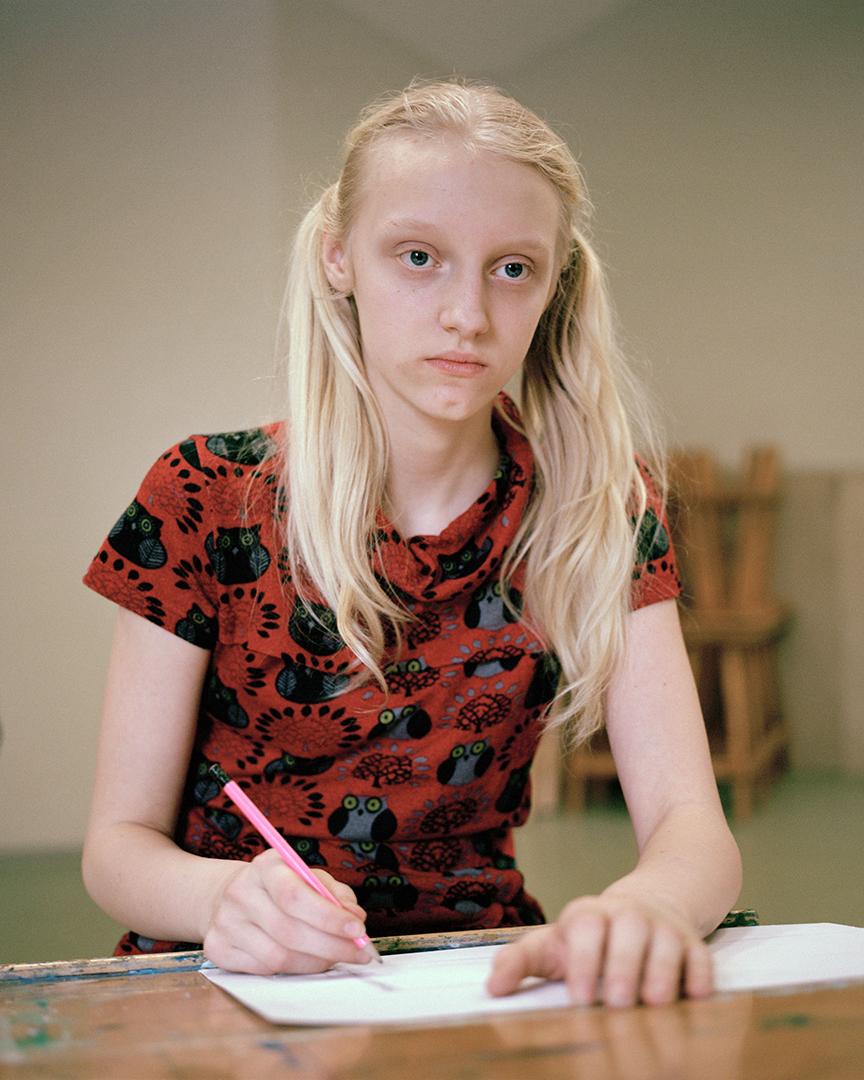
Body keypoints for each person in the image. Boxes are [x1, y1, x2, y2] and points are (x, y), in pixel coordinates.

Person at [82, 79, 741, 1008]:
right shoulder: (202, 495)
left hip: (475, 986)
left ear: (557, 286)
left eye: (512, 268)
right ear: (340, 258)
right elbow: (117, 847)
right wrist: (225, 895)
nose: (467, 313)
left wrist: (649, 906)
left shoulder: (593, 506)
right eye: (419, 256)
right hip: (223, 985)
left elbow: (690, 827)